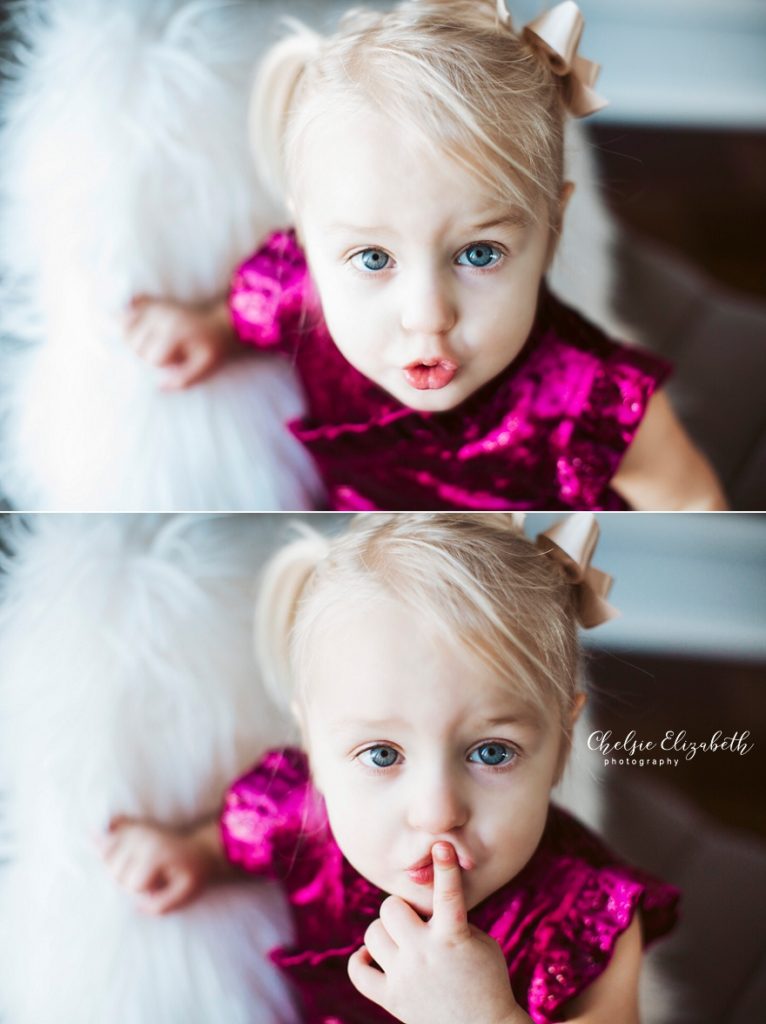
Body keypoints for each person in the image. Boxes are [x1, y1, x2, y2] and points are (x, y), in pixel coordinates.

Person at [123, 0, 725, 512]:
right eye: (373, 259)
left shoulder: (593, 401)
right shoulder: (298, 294)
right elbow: (252, 305)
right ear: (307, 236)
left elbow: (694, 504)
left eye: (480, 253)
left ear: (554, 226)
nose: (427, 315)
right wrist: (208, 328)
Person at [98, 512, 680, 1024]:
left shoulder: (588, 918)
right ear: (316, 753)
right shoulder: (302, 816)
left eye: (492, 752)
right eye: (382, 755)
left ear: (561, 744)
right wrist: (195, 853)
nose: (437, 812)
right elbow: (238, 837)